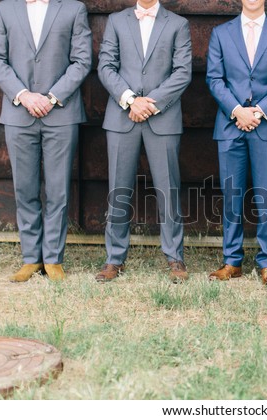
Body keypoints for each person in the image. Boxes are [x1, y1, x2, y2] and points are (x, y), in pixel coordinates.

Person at [0, 0, 91, 282]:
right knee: (25, 187)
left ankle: (54, 258)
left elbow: (82, 61)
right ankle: (31, 258)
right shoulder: (5, 9)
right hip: (19, 112)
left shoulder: (73, 9)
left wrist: (52, 97)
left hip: (61, 112)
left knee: (58, 190)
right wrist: (23, 94)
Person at [96, 0, 192, 282]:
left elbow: (183, 71)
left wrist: (151, 103)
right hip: (121, 116)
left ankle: (175, 257)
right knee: (118, 188)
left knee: (168, 190)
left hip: (162, 116)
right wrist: (129, 100)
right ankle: (114, 258)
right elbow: (106, 66)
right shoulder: (116, 21)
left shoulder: (178, 24)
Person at [206, 0, 267, 285]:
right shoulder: (221, 33)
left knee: (265, 194)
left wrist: (259, 111)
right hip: (231, 124)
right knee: (232, 195)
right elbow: (214, 78)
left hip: (266, 124)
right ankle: (232, 261)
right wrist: (237, 110)